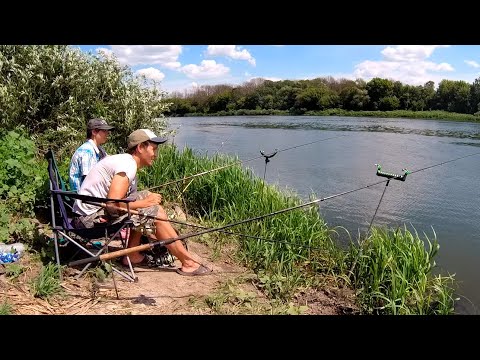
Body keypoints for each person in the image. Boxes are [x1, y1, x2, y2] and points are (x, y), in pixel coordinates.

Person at [72, 128, 212, 276]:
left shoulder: (125, 161)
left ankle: (132, 255)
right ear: (140, 147)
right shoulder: (128, 165)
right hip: (89, 221)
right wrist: (144, 203)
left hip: (90, 213)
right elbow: (113, 204)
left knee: (148, 197)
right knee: (154, 211)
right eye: (154, 149)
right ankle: (188, 263)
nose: (155, 155)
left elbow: (120, 201)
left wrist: (145, 200)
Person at [69, 118, 114, 192]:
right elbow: (88, 181)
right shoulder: (87, 151)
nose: (107, 133)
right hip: (84, 198)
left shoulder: (99, 150)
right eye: (104, 131)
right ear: (94, 132)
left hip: (92, 195)